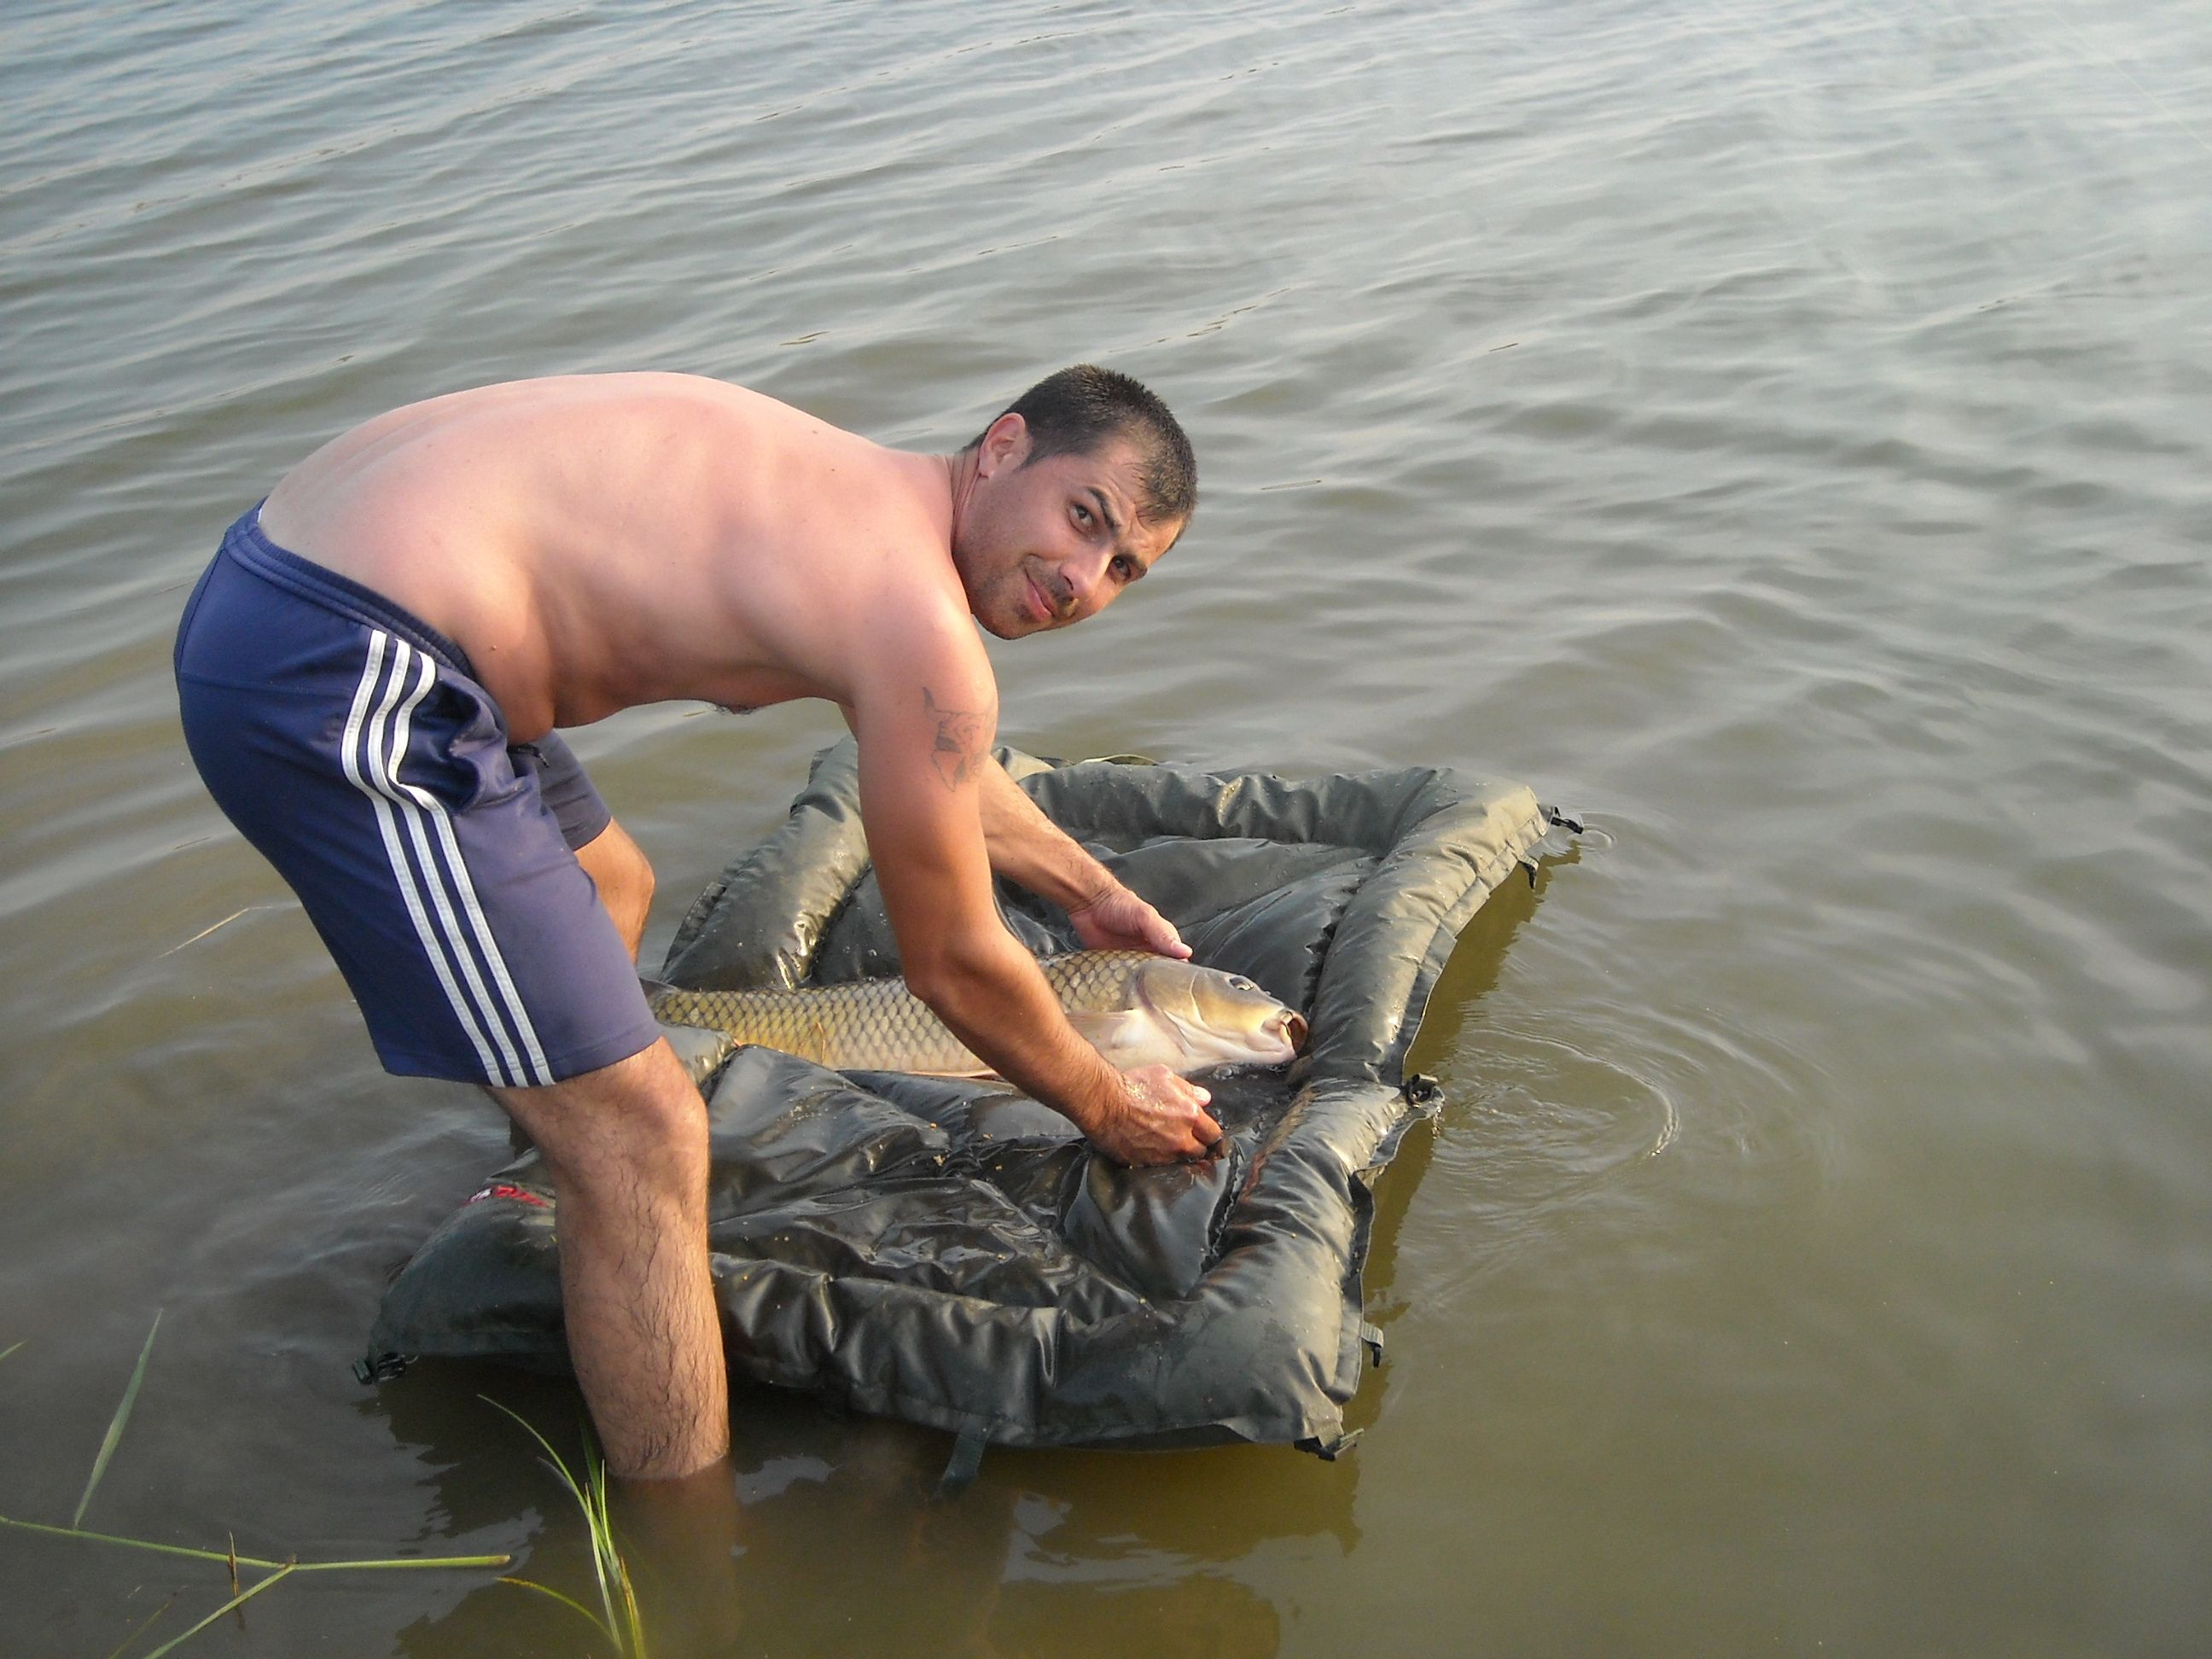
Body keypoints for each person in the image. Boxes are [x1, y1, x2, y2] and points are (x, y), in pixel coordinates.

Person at [172, 365, 1220, 1482]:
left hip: (312, 577)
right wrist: (1108, 1105)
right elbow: (953, 965)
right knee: (647, 1135)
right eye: (1084, 517)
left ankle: (567, 1169)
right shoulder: (916, 614)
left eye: (1123, 568)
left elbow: (939, 758)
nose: (1081, 578)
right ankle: (686, 1546)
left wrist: (1085, 892)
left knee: (613, 888)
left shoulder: (863, 510)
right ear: (1004, 447)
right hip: (343, 661)